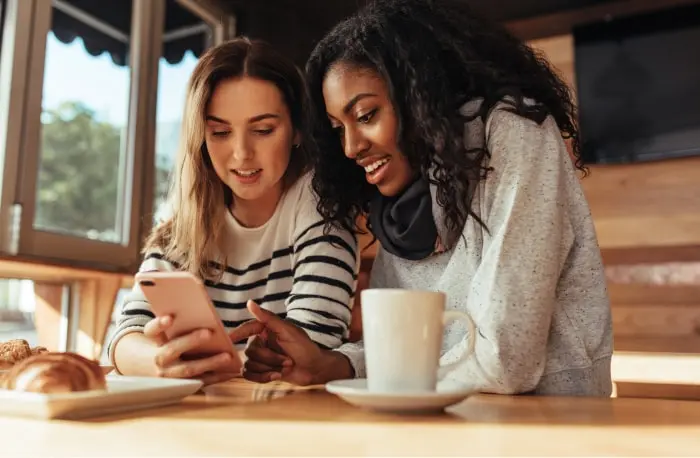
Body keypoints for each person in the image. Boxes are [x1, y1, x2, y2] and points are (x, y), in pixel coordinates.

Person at [241, 0, 614, 396]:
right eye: (338, 129)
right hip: (435, 422)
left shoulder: (513, 133)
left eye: (366, 115)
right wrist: (333, 363)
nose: (350, 147)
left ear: (419, 95)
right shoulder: (397, 206)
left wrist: (378, 374)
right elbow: (407, 350)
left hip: (551, 422)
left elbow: (507, 362)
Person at [108, 38, 359, 385]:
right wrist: (158, 360)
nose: (241, 153)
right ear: (201, 137)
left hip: (294, 417)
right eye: (221, 132)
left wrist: (210, 364)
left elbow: (311, 347)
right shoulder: (186, 219)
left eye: (263, 130)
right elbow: (123, 339)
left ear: (297, 129)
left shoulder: (320, 200)